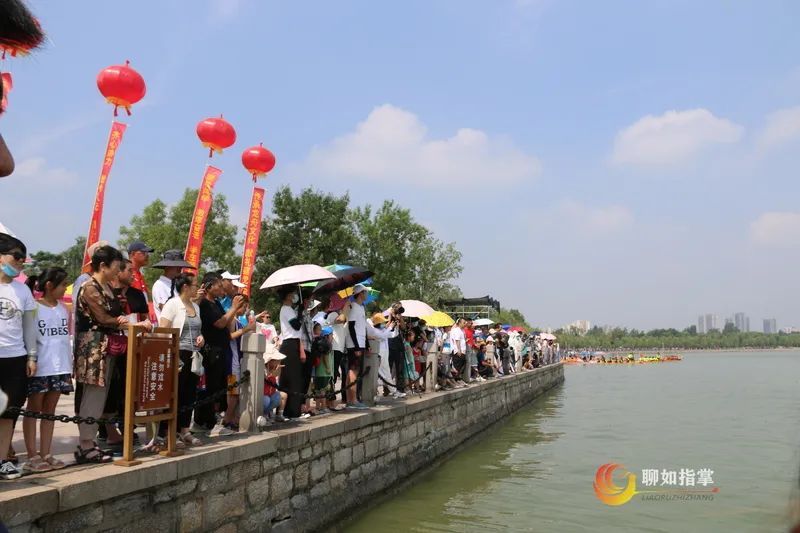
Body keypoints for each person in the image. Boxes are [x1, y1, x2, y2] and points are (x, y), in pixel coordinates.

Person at [73, 245, 129, 464]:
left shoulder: (106, 286)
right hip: (94, 348)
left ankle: (90, 441)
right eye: (116, 267)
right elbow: (103, 318)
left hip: (107, 346)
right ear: (103, 265)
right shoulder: (89, 287)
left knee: (101, 394)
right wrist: (122, 321)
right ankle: (86, 443)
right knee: (93, 394)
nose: (119, 271)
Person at [20, 268, 72, 472]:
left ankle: (46, 453)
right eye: (62, 284)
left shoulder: (63, 308)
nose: (64, 288)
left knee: (50, 411)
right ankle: (32, 455)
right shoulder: (33, 307)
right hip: (40, 366)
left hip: (60, 366)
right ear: (49, 285)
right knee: (33, 410)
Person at [0, 234, 37, 479]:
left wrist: (31, 356)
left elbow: (29, 326)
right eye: (17, 257)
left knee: (8, 411)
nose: (21, 262)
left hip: (15, 358)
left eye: (24, 259)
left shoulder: (22, 290)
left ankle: (3, 460)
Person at [159, 272, 204, 446]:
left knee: (189, 393)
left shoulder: (196, 307)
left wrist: (201, 338)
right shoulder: (172, 304)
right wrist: (172, 354)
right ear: (185, 287)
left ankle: (184, 429)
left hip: (193, 354)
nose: (197, 288)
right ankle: (167, 431)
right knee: (174, 393)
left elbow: (198, 330)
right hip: (177, 354)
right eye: (194, 285)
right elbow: (163, 330)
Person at [196, 272, 243, 436]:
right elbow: (220, 322)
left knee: (220, 386)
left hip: (222, 349)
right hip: (211, 350)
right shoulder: (205, 304)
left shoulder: (216, 302)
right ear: (209, 286)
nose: (220, 288)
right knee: (211, 386)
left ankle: (214, 419)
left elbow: (226, 320)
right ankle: (205, 421)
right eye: (218, 285)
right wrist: (234, 308)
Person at [277, 286, 306, 419]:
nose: (295, 295)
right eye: (293, 293)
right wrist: (300, 312)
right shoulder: (286, 309)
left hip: (293, 344)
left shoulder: (290, 310)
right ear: (287, 296)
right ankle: (289, 411)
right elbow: (296, 325)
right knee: (290, 378)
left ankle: (294, 410)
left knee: (295, 378)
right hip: (288, 345)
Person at [344, 284, 369, 409]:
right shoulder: (353, 307)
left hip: (361, 342)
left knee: (355, 370)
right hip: (355, 344)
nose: (366, 294)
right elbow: (351, 327)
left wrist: (367, 344)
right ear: (360, 294)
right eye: (365, 292)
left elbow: (362, 327)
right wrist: (357, 346)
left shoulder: (361, 307)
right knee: (353, 370)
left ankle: (351, 399)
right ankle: (352, 400)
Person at [151, 250, 193, 322]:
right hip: (168, 329)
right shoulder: (160, 285)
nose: (180, 268)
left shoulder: (176, 283)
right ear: (167, 267)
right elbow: (165, 308)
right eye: (177, 266)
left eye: (180, 266)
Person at [258, 350, 287, 427]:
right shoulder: (262, 367)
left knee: (278, 397)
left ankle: (265, 414)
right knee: (266, 400)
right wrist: (272, 374)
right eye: (276, 360)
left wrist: (276, 372)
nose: (278, 362)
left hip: (270, 394)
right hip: (262, 395)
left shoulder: (275, 368)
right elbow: (266, 380)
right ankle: (260, 415)